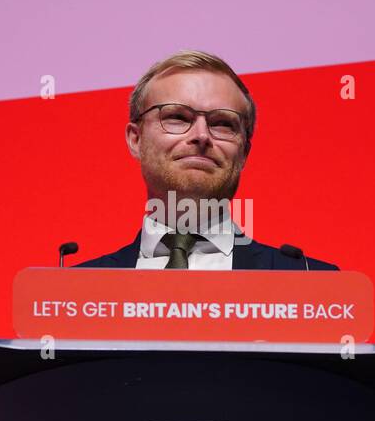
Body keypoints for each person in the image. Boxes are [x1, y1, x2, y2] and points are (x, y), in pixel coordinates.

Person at [75, 50, 339, 270]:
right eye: (177, 117)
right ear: (136, 139)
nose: (201, 135)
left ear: (244, 152)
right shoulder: (72, 294)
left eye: (222, 123)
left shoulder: (310, 285)